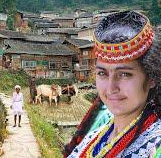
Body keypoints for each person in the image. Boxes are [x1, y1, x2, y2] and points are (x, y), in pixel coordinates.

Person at [66, 11, 161, 157]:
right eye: (102, 73)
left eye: (124, 74)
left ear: (151, 78)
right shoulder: (93, 138)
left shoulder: (154, 147)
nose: (111, 88)